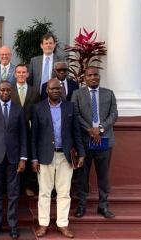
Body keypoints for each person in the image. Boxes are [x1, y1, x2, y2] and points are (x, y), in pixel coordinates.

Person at [31, 79, 85, 238]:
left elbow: (76, 132)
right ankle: (43, 224)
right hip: (45, 156)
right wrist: (34, 159)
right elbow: (34, 136)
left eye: (58, 88)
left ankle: (62, 224)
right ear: (47, 90)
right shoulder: (38, 108)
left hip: (65, 156)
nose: (56, 91)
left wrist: (81, 153)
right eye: (52, 88)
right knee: (44, 192)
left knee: (64, 192)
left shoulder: (70, 107)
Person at [71, 66, 118, 219]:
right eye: (90, 75)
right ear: (85, 78)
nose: (93, 77)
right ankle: (82, 204)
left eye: (95, 75)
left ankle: (103, 205)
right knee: (82, 174)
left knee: (103, 174)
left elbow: (113, 114)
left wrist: (101, 129)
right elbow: (75, 114)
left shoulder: (109, 94)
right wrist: (90, 130)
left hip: (104, 140)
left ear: (99, 77)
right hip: (85, 141)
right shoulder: (77, 94)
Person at [0, 80, 27, 239]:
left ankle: (12, 225)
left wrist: (23, 158)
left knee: (13, 194)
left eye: (8, 90)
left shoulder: (18, 110)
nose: (5, 93)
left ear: (12, 91)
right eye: (2, 90)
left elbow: (24, 136)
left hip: (14, 159)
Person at [10, 64, 40, 197]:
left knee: (27, 155)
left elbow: (37, 111)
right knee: (14, 157)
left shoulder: (34, 91)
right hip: (12, 129)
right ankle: (15, 186)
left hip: (29, 129)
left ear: (27, 74)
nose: (21, 74)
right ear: (15, 74)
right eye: (19, 72)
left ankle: (28, 185)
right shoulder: (9, 90)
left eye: (24, 72)